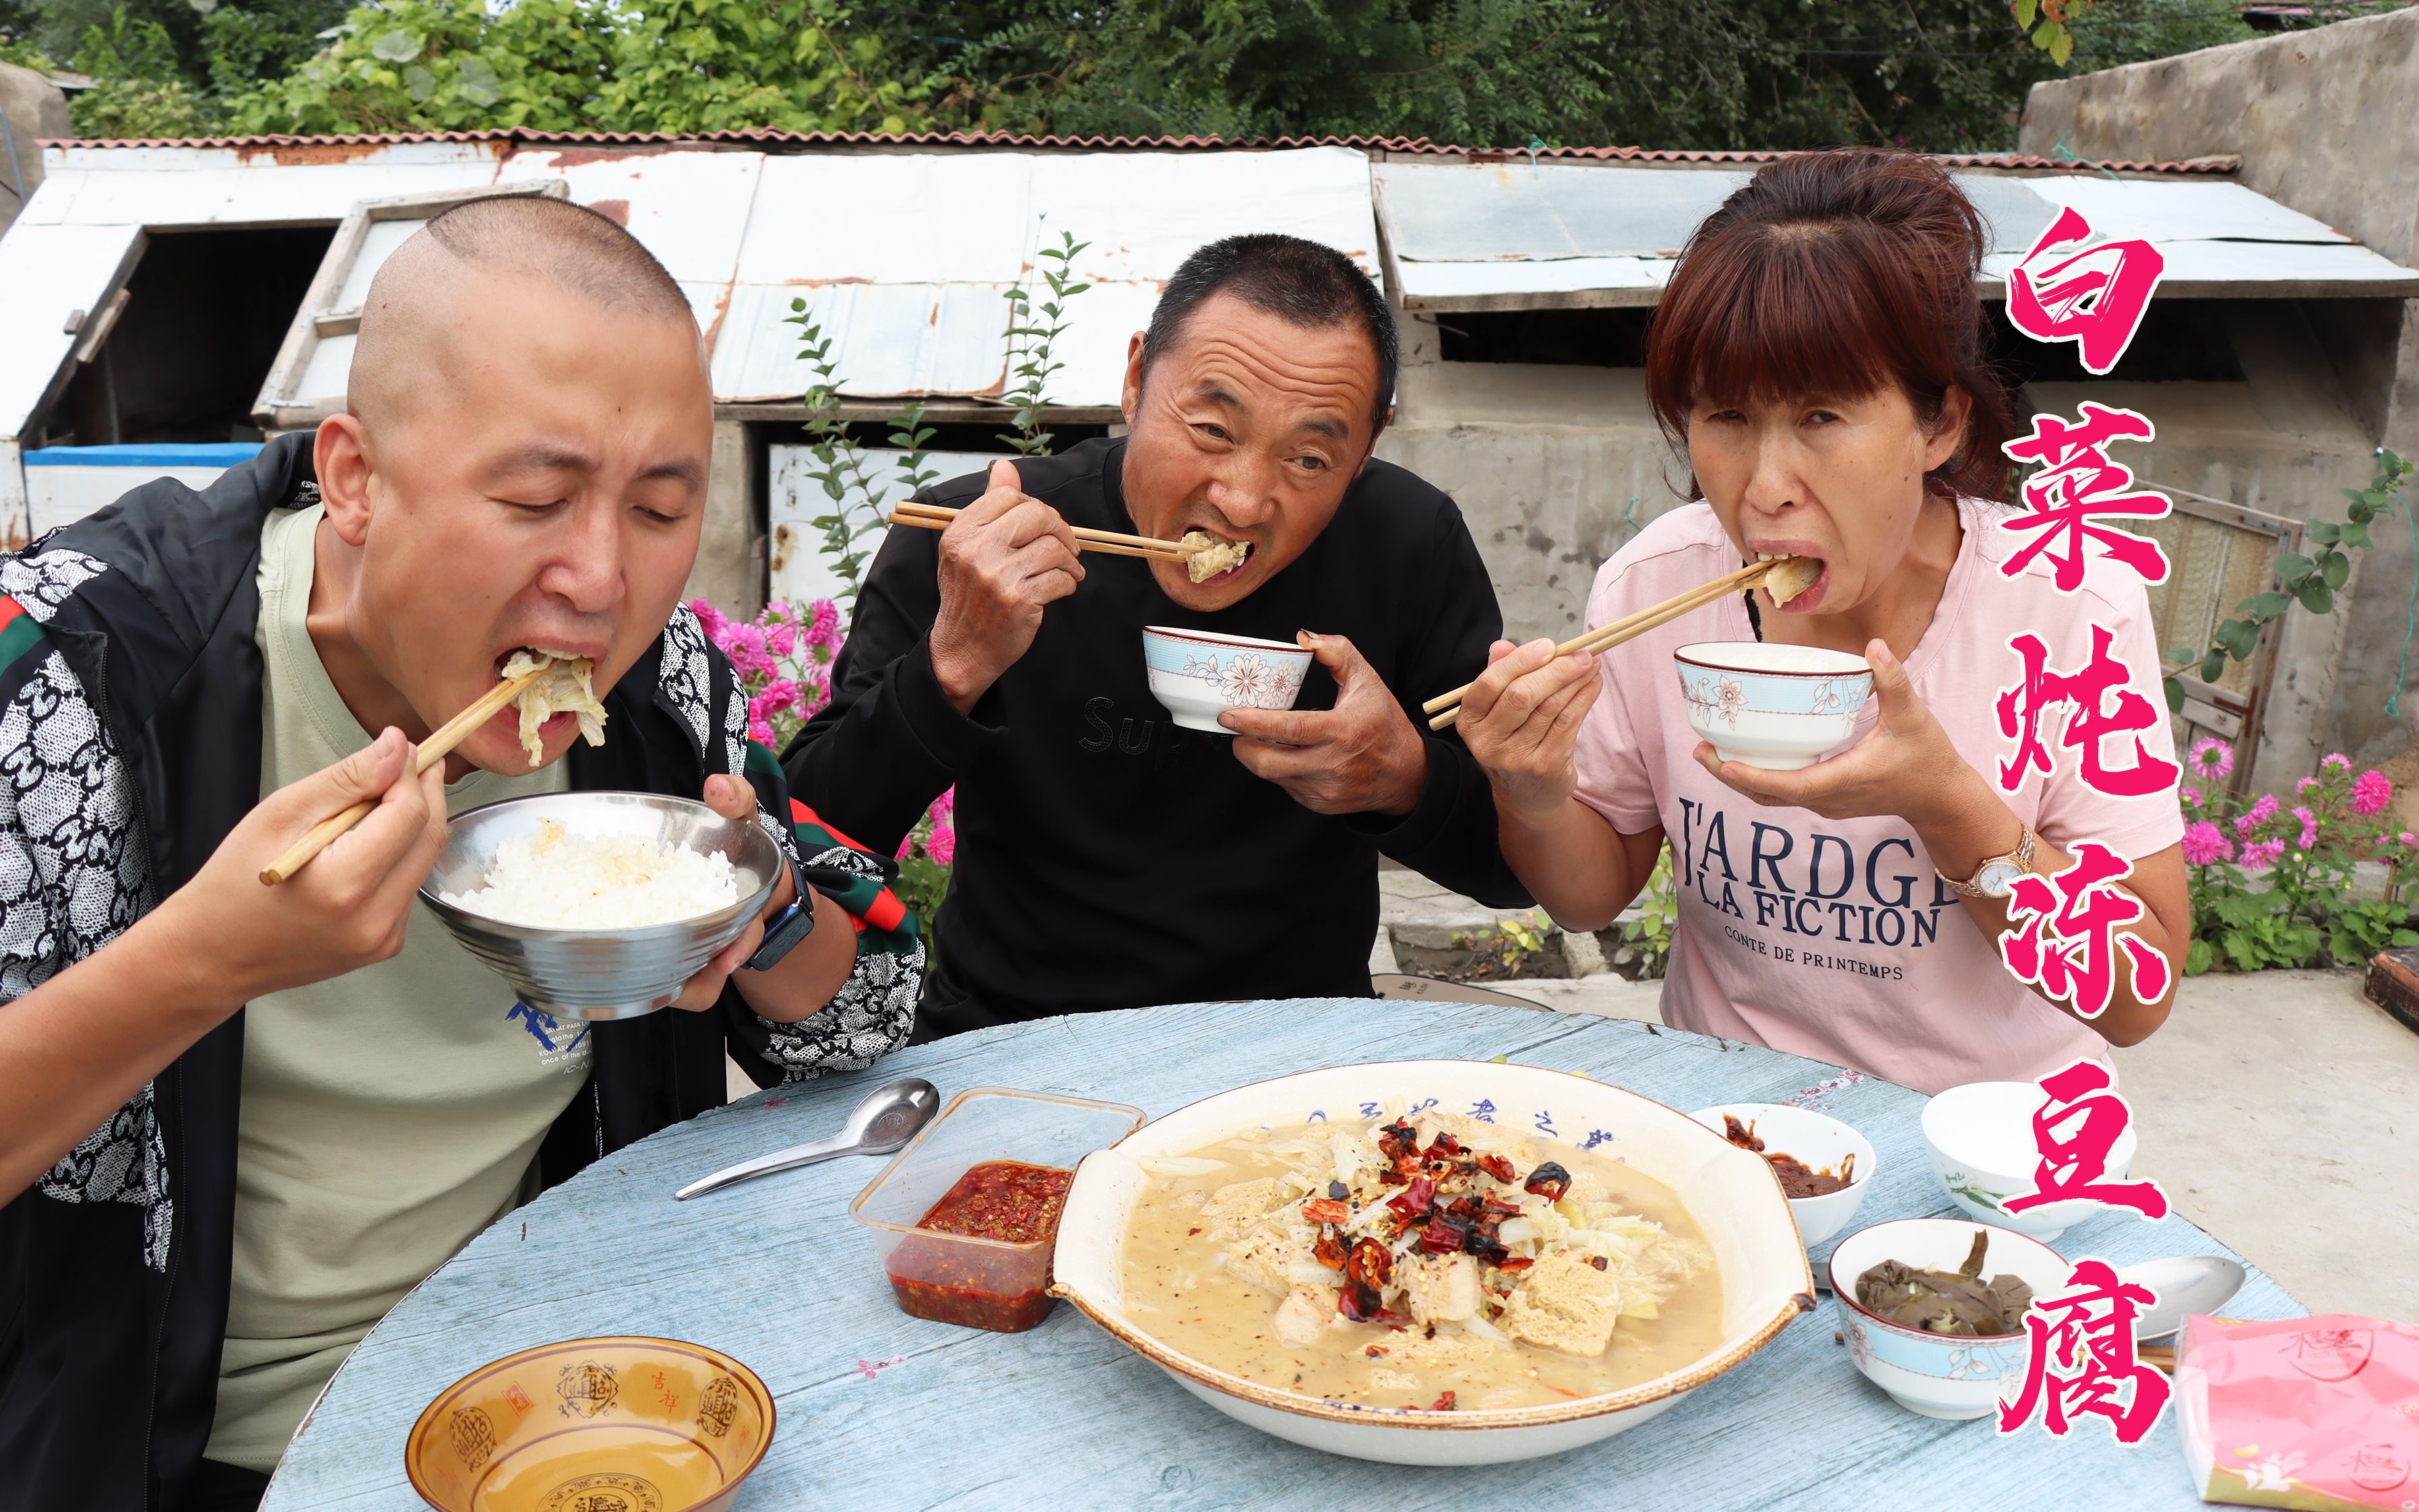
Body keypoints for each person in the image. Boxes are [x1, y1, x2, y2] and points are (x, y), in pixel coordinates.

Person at [0, 196, 923, 1512]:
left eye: (661, 511)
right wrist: (206, 960)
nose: (601, 581)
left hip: (555, 1406)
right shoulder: (76, 683)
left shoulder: (659, 700)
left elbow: (869, 1013)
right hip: (163, 1459)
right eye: (537, 499)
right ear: (355, 478)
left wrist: (763, 909)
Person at [1455, 152, 2185, 1095]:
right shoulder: (1655, 588)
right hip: (1734, 1114)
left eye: (1821, 415)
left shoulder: (2068, 603)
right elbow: (1587, 894)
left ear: (1938, 426)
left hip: (1983, 1145)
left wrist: (1946, 804)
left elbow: (2135, 998)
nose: (1762, 488)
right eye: (1725, 416)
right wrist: (1532, 793)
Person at [785, 233, 1527, 1035]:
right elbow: (804, 837)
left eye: (1309, 459)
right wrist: (953, 666)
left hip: (1299, 1047)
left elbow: (1513, 871)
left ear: (1366, 450)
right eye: (1212, 428)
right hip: (1007, 1037)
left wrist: (1405, 780)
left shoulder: (1405, 546)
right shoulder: (982, 540)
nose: (1244, 501)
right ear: (1137, 378)